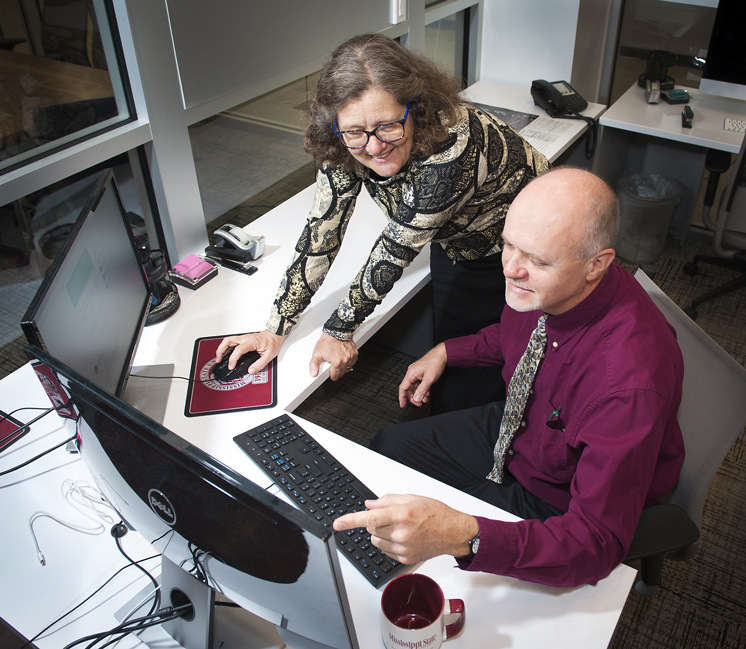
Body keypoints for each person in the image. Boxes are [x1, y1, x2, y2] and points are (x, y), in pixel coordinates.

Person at [332, 167, 686, 588]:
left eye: (537, 260)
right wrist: (449, 350)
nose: (511, 268)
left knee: (447, 570)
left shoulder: (626, 387)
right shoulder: (555, 287)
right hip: (521, 425)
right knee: (388, 449)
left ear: (597, 264)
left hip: (558, 492)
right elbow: (516, 335)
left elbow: (597, 543)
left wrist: (465, 536)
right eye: (508, 245)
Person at [215, 33, 548, 414]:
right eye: (356, 132)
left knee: (501, 371)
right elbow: (322, 232)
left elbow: (395, 248)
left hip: (522, 247)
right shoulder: (344, 139)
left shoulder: (453, 143)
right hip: (454, 240)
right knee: (455, 365)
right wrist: (274, 328)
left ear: (416, 110)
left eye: (388, 125)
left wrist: (338, 330)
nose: (373, 146)